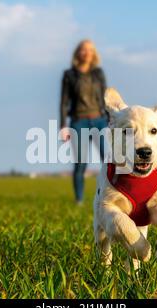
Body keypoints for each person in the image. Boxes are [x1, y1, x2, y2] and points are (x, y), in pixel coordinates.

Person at [59, 39, 108, 205]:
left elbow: (105, 98)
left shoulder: (98, 73)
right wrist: (63, 126)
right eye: (83, 49)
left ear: (93, 53)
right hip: (78, 122)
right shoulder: (69, 75)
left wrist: (111, 121)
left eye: (90, 49)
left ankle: (109, 196)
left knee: (108, 160)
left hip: (100, 121)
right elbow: (64, 102)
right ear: (77, 53)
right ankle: (79, 199)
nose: (86, 52)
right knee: (81, 162)